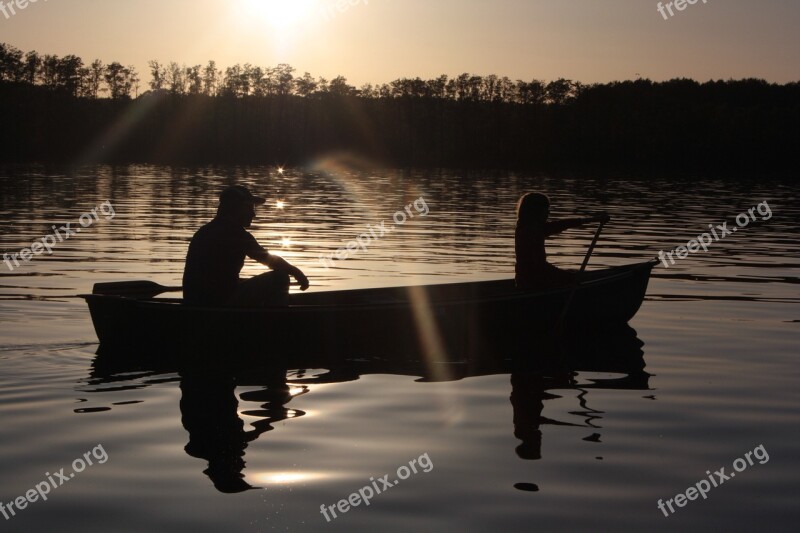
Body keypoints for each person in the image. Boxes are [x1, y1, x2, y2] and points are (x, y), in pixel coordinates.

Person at [183, 185, 309, 307]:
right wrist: (297, 273)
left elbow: (218, 278)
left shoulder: (205, 231)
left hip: (196, 301)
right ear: (236, 208)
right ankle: (278, 321)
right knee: (280, 277)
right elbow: (270, 260)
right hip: (217, 304)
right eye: (250, 208)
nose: (253, 214)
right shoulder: (235, 234)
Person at [515, 192, 609, 290]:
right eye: (546, 209)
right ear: (536, 211)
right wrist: (571, 277)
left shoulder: (532, 227)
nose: (548, 212)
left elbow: (562, 224)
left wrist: (594, 219)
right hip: (533, 284)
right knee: (576, 277)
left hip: (529, 281)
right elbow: (541, 267)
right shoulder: (530, 231)